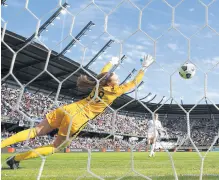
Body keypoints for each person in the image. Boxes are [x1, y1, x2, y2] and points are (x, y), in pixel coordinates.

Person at [1, 55, 154, 169]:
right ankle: (15, 159)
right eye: (116, 77)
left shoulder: (99, 83)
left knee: (36, 131)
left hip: (68, 108)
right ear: (110, 82)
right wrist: (144, 67)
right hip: (77, 119)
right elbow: (134, 82)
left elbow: (104, 72)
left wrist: (111, 63)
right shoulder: (115, 91)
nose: (119, 78)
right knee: (55, 147)